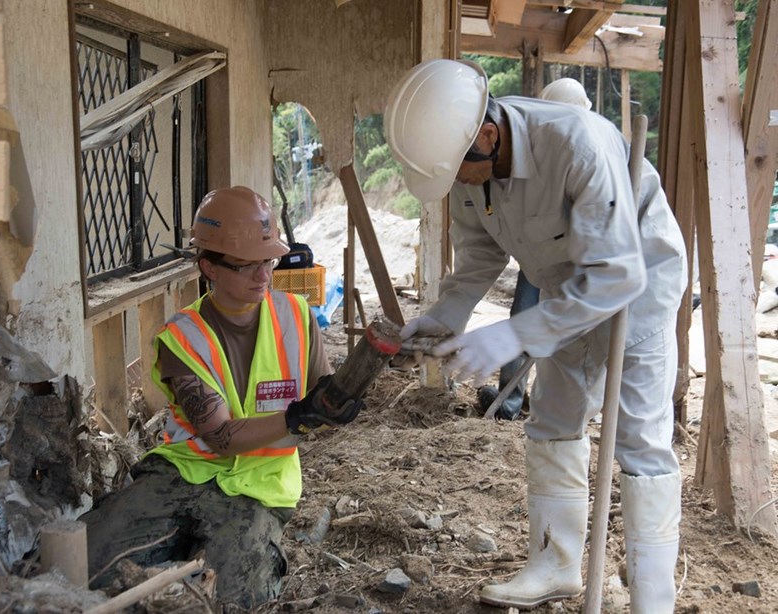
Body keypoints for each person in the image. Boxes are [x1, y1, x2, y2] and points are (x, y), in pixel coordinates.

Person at [384, 60, 687, 612]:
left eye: (457, 173)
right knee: (552, 418)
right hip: (562, 285)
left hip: (635, 280)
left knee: (639, 439)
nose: (456, 184)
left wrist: (516, 333)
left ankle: (652, 598)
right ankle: (556, 564)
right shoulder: (465, 162)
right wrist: (446, 315)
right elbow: (479, 253)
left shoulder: (577, 145)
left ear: (488, 135)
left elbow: (617, 274)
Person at [80, 186, 361, 609]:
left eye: (268, 261)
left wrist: (336, 406)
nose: (263, 276)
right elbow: (221, 438)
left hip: (260, 487)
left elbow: (321, 400)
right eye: (246, 266)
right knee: (86, 565)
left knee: (233, 596)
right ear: (208, 266)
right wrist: (296, 417)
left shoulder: (297, 317)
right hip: (183, 472)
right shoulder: (182, 337)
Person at [478, 77, 595, 420]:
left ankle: (573, 405)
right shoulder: (534, 145)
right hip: (539, 258)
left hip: (580, 265)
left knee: (572, 342)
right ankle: (511, 400)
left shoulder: (591, 153)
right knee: (524, 318)